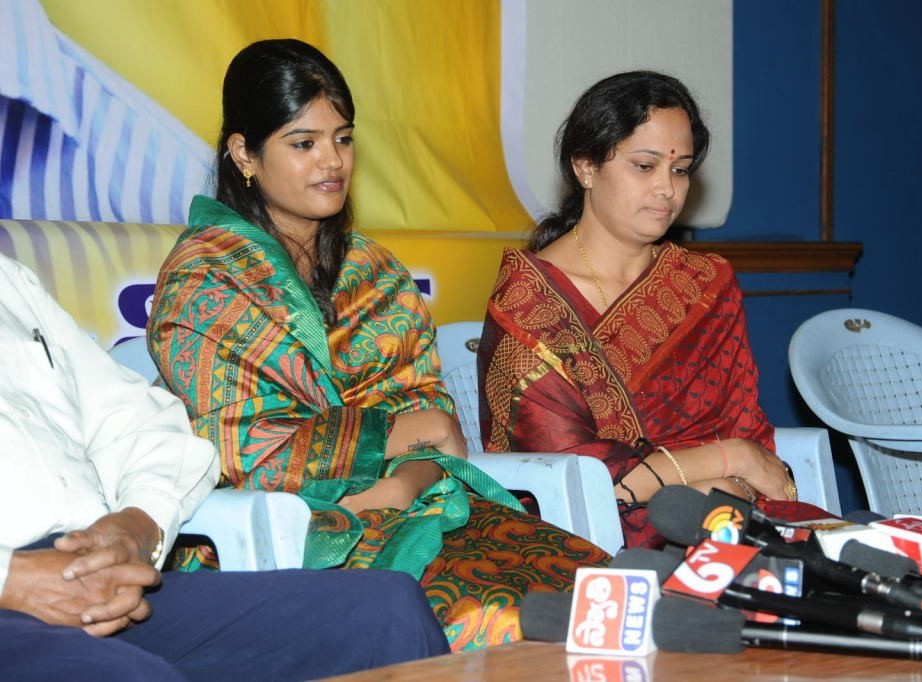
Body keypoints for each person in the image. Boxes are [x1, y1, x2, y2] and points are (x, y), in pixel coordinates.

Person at [146, 38, 608, 652]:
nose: (332, 161)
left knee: (597, 586)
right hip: (279, 540)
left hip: (421, 504)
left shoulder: (371, 270)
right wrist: (401, 443)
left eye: (343, 137)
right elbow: (239, 449)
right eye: (303, 143)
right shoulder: (205, 279)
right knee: (513, 620)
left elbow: (434, 420)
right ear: (244, 153)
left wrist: (405, 480)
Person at [0, 252, 450, 681]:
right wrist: (10, 581)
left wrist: (138, 524)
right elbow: (237, 438)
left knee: (388, 610)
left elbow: (142, 424)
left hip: (98, 567)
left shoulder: (12, 283)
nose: (331, 164)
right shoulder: (204, 276)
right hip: (13, 592)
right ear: (245, 164)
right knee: (128, 674)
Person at [478, 70, 810, 550]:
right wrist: (729, 458)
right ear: (586, 168)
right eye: (644, 166)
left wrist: (733, 469)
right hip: (585, 530)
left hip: (727, 506)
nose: (666, 189)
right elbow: (576, 476)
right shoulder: (529, 304)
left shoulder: (703, 285)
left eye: (679, 170)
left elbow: (749, 436)